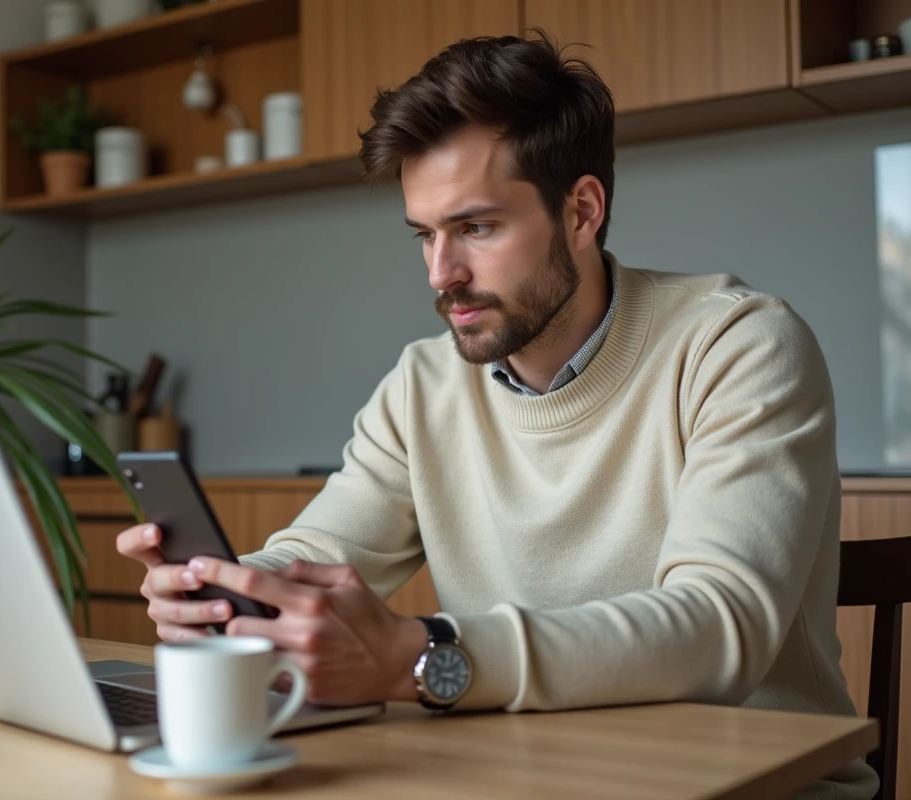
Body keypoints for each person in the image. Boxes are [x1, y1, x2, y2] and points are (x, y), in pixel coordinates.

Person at [116, 34, 877, 797]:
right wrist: (230, 591)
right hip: (524, 776)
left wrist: (426, 656)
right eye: (425, 234)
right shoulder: (422, 385)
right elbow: (318, 551)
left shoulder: (738, 346)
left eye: (475, 228)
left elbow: (718, 626)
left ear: (581, 211)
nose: (441, 274)